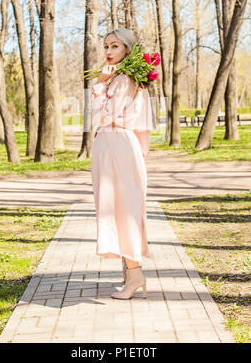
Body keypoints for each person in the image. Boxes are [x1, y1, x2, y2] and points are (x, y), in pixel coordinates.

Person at [90, 28, 154, 300]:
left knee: (122, 208)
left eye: (114, 46)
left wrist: (99, 84)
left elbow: (103, 117)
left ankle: (135, 273)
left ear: (128, 49)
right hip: (116, 147)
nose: (108, 51)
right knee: (117, 207)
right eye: (106, 46)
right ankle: (130, 272)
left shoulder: (124, 79)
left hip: (117, 147)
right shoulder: (123, 77)